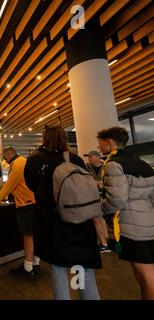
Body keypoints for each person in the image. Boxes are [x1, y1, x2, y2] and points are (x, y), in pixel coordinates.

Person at [24, 126, 101, 300]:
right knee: (81, 266)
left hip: (52, 222)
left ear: (44, 137)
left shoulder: (35, 160)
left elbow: (31, 185)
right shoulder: (74, 159)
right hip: (81, 222)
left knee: (58, 267)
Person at [97, 127, 154, 300]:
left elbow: (117, 200)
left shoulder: (113, 164)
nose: (99, 148)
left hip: (131, 227)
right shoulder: (143, 163)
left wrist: (99, 207)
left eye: (100, 144)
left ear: (109, 142)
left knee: (146, 275)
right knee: (144, 275)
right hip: (149, 223)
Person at [0, 147, 40, 279]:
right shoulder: (23, 161)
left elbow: (9, 184)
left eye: (5, 158)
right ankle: (34, 264)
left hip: (26, 204)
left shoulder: (18, 163)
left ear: (10, 153)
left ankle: (28, 269)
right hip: (31, 202)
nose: (5, 161)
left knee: (28, 236)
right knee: (34, 236)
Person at [84, 150, 110, 253]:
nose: (89, 159)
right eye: (88, 157)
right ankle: (104, 243)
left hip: (107, 197)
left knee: (101, 219)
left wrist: (103, 184)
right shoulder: (85, 169)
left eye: (90, 157)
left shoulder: (107, 166)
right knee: (98, 218)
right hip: (93, 197)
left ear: (97, 157)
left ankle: (106, 242)